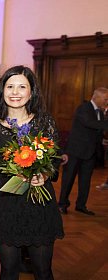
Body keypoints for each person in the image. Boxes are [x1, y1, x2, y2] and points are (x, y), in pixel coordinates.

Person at [0, 65, 64, 280]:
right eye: (10, 86)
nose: (15, 92)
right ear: (2, 91)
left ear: (31, 92)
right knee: (8, 271)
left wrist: (43, 175)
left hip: (39, 207)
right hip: (7, 206)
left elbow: (54, 162)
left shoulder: (45, 123)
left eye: (22, 86)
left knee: (43, 271)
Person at [58, 87, 108, 215]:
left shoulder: (101, 112)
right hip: (75, 151)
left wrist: (101, 141)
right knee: (68, 179)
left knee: (85, 181)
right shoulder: (83, 108)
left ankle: (81, 205)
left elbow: (96, 131)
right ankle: (62, 204)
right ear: (96, 97)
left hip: (90, 152)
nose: (106, 102)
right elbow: (90, 123)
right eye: (105, 99)